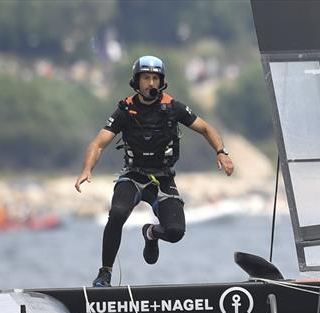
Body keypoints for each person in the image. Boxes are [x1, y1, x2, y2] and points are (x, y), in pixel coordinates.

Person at [75, 55, 234, 287]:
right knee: (117, 214)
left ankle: (150, 233)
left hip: (163, 178)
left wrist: (221, 151)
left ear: (161, 82)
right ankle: (104, 274)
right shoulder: (124, 110)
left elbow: (206, 128)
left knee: (175, 232)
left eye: (155, 79)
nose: (150, 83)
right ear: (136, 82)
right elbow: (98, 143)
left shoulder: (173, 107)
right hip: (133, 176)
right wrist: (87, 169)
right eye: (146, 78)